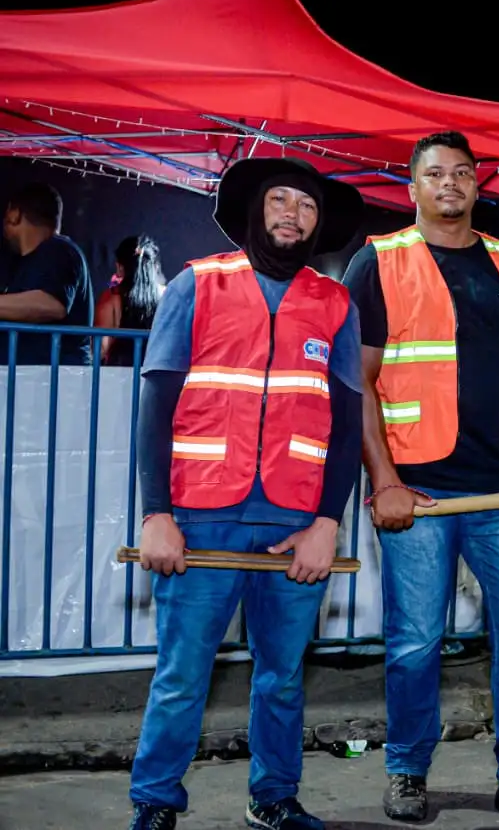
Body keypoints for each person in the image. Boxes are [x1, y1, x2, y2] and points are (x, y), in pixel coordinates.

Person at [343, 131, 499, 829]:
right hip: (419, 491)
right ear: (411, 188)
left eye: (463, 173)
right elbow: (359, 381)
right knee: (415, 641)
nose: (451, 183)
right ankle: (407, 770)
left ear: (478, 187)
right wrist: (383, 479)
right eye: (435, 173)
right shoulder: (379, 261)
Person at [127, 157, 366, 830]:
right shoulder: (197, 285)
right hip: (200, 515)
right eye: (279, 199)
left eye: (308, 205)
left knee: (283, 677)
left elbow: (347, 423)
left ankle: (275, 796)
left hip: (294, 518)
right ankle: (154, 801)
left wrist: (327, 522)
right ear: (256, 210)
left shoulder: (335, 301)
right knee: (181, 675)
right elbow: (157, 404)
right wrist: (156, 515)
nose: (293, 212)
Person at [0, 182, 93, 365]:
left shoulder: (58, 250)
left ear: (14, 214)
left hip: (54, 384)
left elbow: (50, 305)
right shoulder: (28, 260)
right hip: (34, 382)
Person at [95, 234, 166, 366]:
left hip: (119, 377)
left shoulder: (111, 298)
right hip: (156, 375)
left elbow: (99, 350)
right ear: (155, 266)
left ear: (120, 267)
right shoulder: (168, 296)